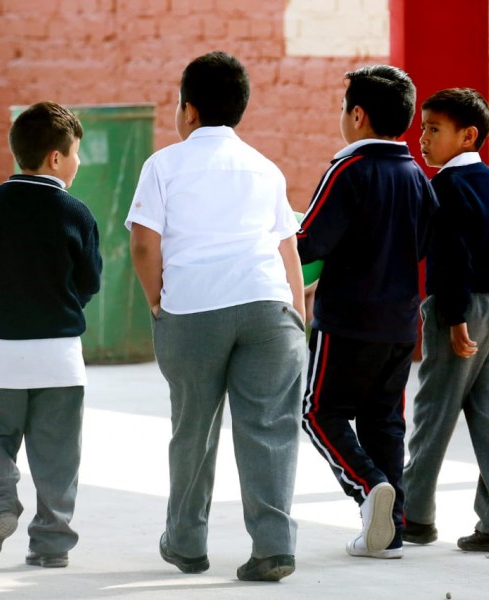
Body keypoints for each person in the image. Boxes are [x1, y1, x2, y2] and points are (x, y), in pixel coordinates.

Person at [126, 51, 307, 582]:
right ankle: (273, 548)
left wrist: (156, 299)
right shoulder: (265, 167)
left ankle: (185, 544)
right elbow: (287, 251)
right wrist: (296, 316)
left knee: (194, 428)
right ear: (240, 111)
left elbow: (142, 244)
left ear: (188, 110)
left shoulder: (163, 164)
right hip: (268, 309)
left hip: (194, 310)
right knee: (270, 428)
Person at [0, 101, 102, 570]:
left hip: (1, 354)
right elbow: (89, 281)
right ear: (55, 157)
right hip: (61, 358)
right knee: (57, 457)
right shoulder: (77, 213)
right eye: (75, 153)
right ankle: (51, 545)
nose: (78, 163)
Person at [298, 65, 438, 560]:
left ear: (356, 115)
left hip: (346, 324)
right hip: (400, 325)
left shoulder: (347, 170)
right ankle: (390, 531)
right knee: (384, 422)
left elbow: (309, 239)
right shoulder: (417, 177)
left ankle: (368, 487)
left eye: (343, 108)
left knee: (318, 413)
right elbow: (425, 242)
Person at [403, 88, 489, 553]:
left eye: (434, 129)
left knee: (435, 410)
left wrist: (453, 319)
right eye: (422, 129)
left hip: (463, 310)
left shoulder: (445, 188)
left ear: (468, 135)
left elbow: (451, 259)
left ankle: (415, 515)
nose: (423, 140)